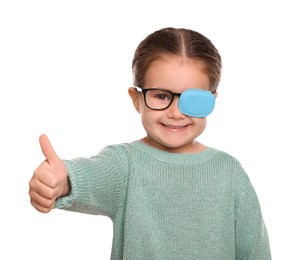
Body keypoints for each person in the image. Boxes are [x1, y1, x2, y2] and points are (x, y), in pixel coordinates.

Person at [29, 27, 271, 259]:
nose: (176, 113)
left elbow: (255, 250)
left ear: (212, 100)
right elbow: (91, 176)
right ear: (137, 99)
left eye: (193, 100)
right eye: (161, 96)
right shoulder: (125, 164)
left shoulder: (229, 172)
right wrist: (62, 180)